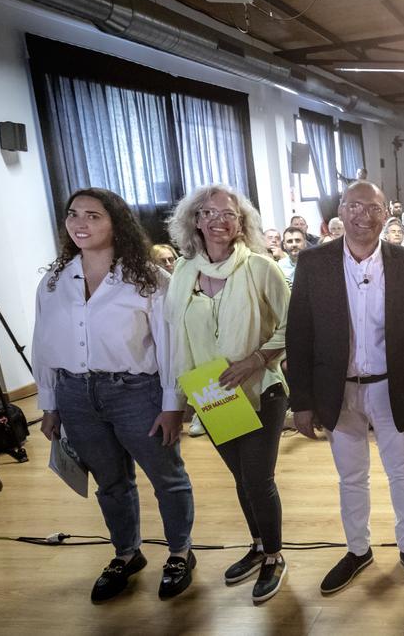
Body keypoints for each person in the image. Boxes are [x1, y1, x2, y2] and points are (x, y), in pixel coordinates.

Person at [33, 188, 195, 602]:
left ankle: (180, 552)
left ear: (116, 223)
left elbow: (170, 345)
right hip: (74, 393)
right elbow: (43, 343)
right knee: (110, 483)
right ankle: (126, 553)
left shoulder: (149, 278)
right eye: (74, 215)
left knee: (167, 477)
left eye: (93, 215)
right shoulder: (54, 281)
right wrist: (49, 405)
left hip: (135, 392)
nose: (80, 223)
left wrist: (172, 405)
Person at [287, 180, 404, 595]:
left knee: (402, 472)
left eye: (372, 208)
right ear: (341, 210)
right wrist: (301, 401)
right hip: (337, 390)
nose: (363, 216)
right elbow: (299, 335)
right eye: (354, 206)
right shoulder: (314, 262)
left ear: (385, 213)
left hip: (394, 386)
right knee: (350, 477)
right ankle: (358, 549)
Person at [166, 184, 290, 603]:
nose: (219, 220)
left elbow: (293, 325)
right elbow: (174, 334)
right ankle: (257, 546)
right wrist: (180, 399)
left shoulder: (259, 267)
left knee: (258, 478)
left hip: (261, 390)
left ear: (241, 223)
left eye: (229, 214)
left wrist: (256, 359)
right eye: (209, 212)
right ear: (195, 220)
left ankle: (274, 555)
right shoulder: (183, 272)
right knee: (240, 478)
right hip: (211, 392)